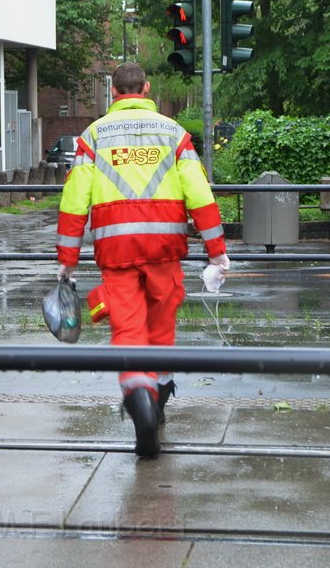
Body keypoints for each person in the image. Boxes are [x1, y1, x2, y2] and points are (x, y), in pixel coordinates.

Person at [55, 62, 229, 458]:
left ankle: (140, 398)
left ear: (114, 91)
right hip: (164, 251)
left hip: (116, 254)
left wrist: (66, 259)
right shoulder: (175, 135)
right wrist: (217, 251)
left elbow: (73, 203)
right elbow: (200, 195)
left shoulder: (92, 137)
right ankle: (159, 395)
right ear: (146, 88)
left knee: (129, 331)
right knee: (162, 326)